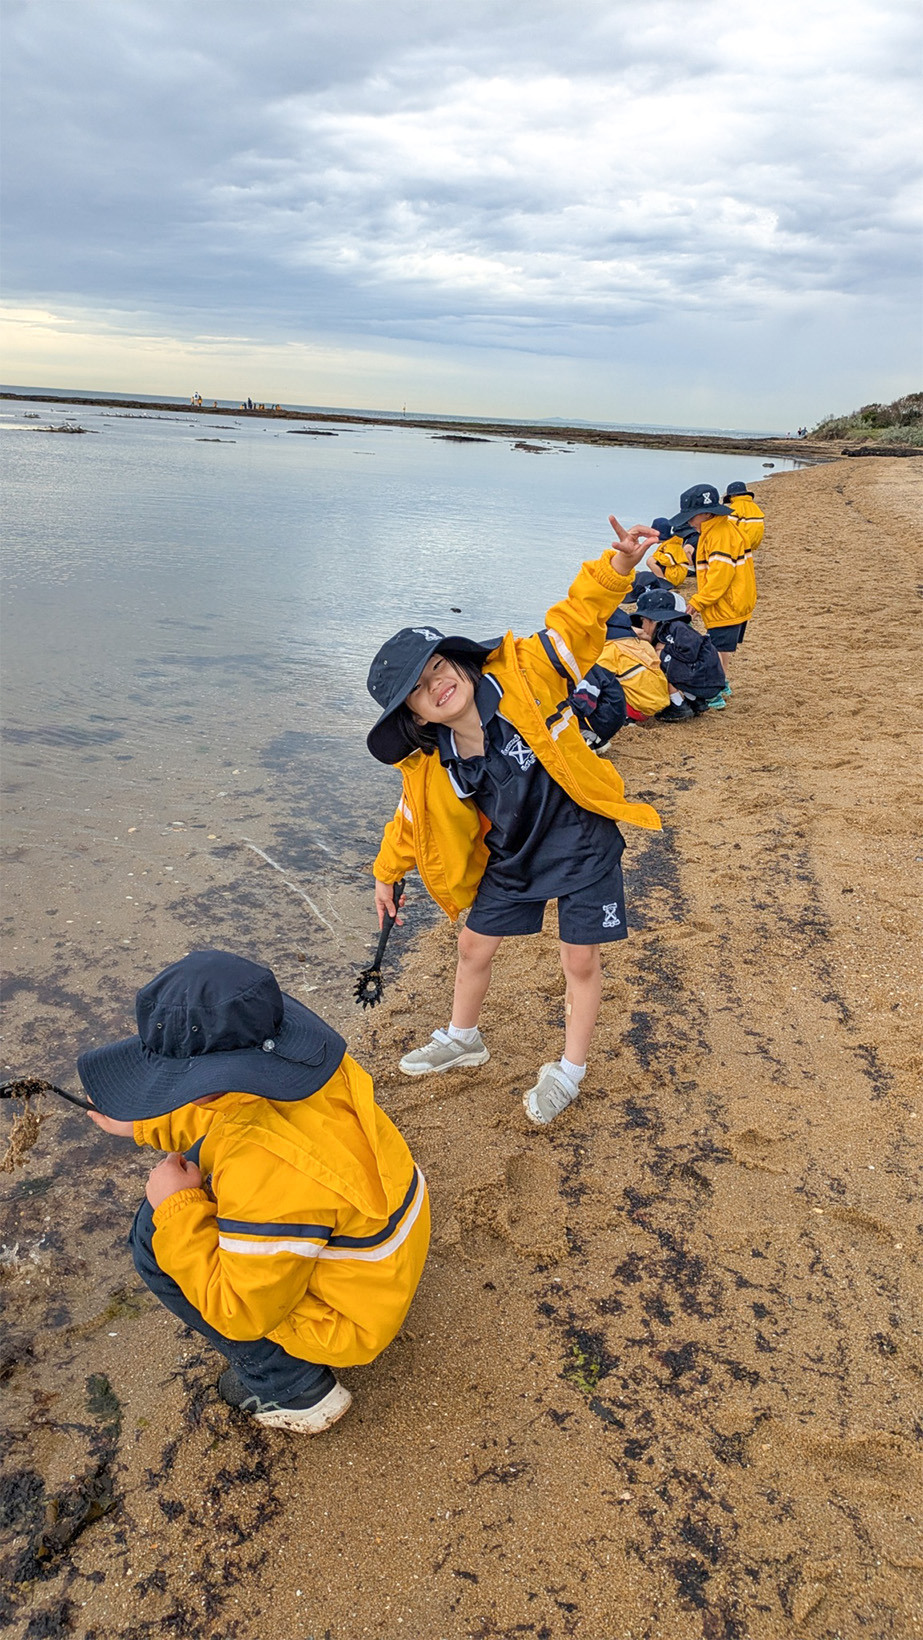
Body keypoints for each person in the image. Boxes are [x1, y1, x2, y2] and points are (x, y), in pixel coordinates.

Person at [366, 522, 662, 1127]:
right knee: (473, 943)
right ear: (414, 716)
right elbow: (411, 821)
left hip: (581, 843)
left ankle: (570, 1071)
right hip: (513, 856)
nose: (438, 685)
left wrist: (618, 567)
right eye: (420, 690)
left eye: (440, 667)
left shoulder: (527, 673)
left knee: (578, 961)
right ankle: (462, 1036)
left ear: (464, 663)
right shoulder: (434, 761)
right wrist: (385, 874)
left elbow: (576, 620)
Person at [79, 950, 430, 1435]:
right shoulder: (309, 1071)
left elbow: (240, 1311)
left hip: (350, 1319)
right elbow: (234, 1110)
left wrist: (177, 1206)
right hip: (381, 1259)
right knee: (200, 1169)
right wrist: (147, 1120)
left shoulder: (268, 1170)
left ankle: (294, 1387)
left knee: (152, 1237)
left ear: (198, 1085)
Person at [668, 483, 756, 680]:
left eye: (692, 516)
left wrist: (698, 602)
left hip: (726, 603)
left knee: (715, 650)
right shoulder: (722, 528)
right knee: (721, 648)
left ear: (707, 513)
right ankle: (722, 681)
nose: (689, 522)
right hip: (735, 600)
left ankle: (717, 687)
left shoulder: (719, 535)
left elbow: (719, 578)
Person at [631, 587, 727, 714]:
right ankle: (694, 700)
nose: (642, 626)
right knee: (664, 657)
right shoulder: (671, 629)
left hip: (706, 680)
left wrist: (664, 649)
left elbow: (689, 653)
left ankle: (677, 704)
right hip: (705, 677)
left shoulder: (677, 627)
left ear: (652, 620)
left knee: (659, 657)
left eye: (642, 621)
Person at [722, 482, 765, 554]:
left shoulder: (735, 506)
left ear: (733, 496)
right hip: (754, 542)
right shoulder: (754, 506)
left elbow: (729, 526)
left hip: (741, 542)